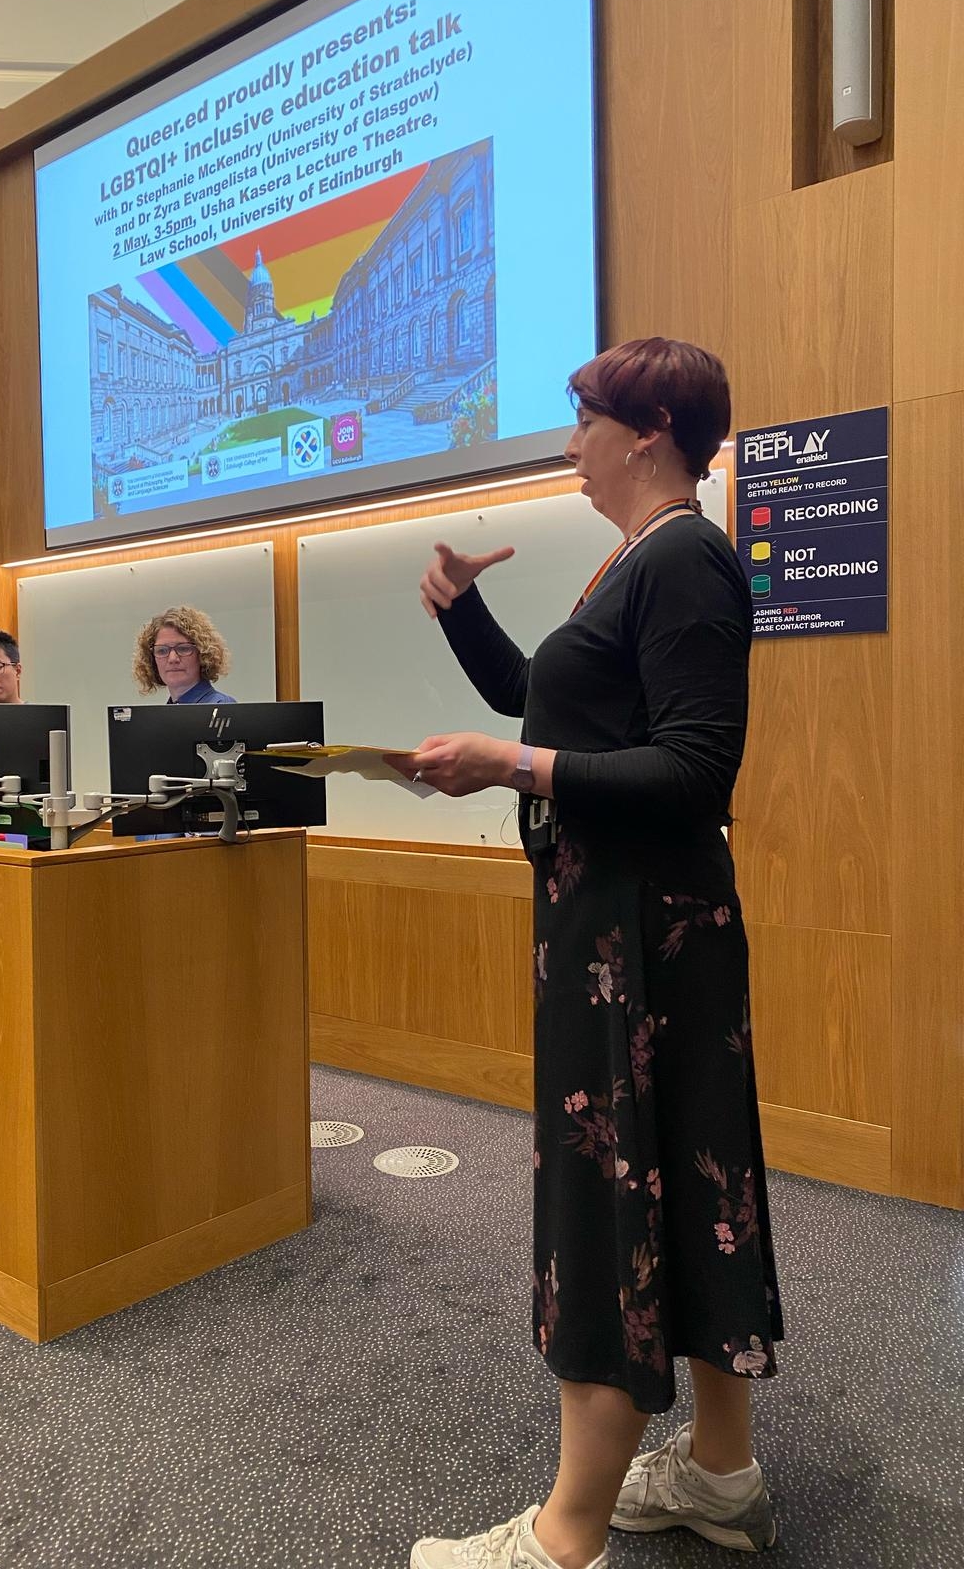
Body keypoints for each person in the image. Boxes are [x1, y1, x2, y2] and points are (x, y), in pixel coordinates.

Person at [402, 339, 784, 1569]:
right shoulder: (640, 558)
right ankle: (719, 1473)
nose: (570, 443)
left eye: (584, 418)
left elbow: (696, 771)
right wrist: (461, 613)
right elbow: (541, 698)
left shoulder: (682, 558)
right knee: (689, 1179)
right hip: (629, 926)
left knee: (612, 1195)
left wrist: (510, 766)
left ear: (650, 427)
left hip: (638, 937)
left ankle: (565, 1537)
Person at [132, 606, 236, 704]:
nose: (172, 659)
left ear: (203, 654)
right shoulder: (165, 713)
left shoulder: (221, 706)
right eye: (162, 650)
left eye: (183, 649)